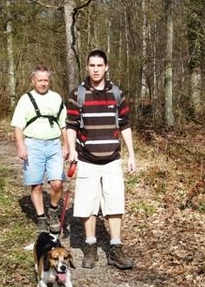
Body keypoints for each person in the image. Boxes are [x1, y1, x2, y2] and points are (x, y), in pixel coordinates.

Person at [66, 49, 136, 269]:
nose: (95, 69)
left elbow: (124, 124)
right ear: (87, 67)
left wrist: (131, 154)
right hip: (87, 159)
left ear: (106, 67)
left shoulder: (117, 94)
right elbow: (71, 126)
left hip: (112, 159)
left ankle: (115, 248)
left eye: (99, 65)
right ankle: (90, 246)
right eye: (92, 65)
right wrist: (71, 150)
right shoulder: (77, 94)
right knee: (88, 205)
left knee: (114, 204)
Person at [11, 65, 68, 233]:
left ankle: (53, 210)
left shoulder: (56, 98)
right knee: (36, 185)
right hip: (33, 145)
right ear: (33, 81)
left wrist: (66, 145)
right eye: (40, 80)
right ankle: (41, 217)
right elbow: (18, 126)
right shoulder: (25, 99)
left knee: (57, 182)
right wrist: (20, 145)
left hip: (53, 144)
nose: (43, 83)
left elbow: (64, 124)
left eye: (46, 80)